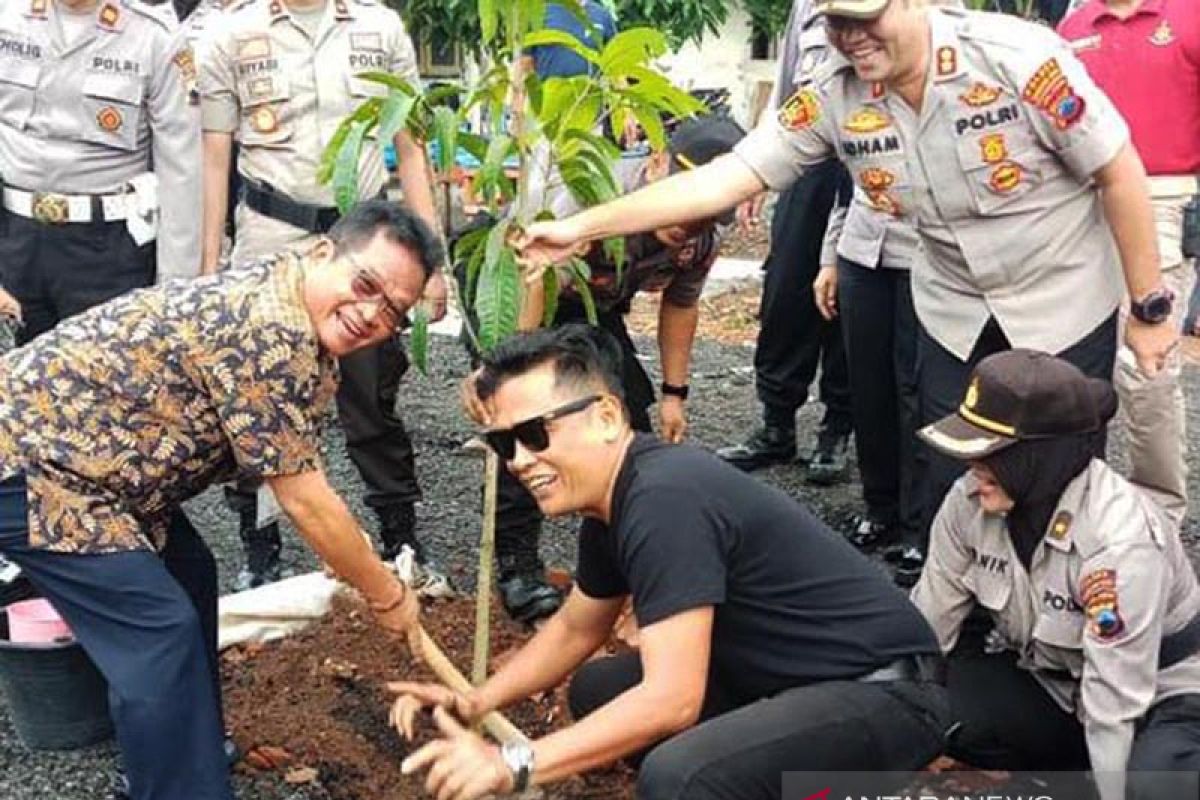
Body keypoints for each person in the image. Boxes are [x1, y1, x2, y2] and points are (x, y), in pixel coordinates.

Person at [514, 0, 1177, 547]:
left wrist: (1148, 308)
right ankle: (968, 640)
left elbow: (1117, 172)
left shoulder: (1017, 59)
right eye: (835, 21)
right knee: (955, 478)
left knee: (1056, 475)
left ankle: (1069, 634)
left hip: (1062, 294)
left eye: (867, 15)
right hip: (953, 308)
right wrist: (581, 226)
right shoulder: (832, 93)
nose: (852, 37)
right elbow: (730, 175)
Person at [391, 324, 949, 800]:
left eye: (535, 434)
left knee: (680, 777)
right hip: (783, 680)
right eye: (503, 443)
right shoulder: (613, 504)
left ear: (608, 416)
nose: (519, 460)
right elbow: (575, 626)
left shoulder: (664, 498)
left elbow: (673, 699)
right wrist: (474, 700)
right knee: (600, 690)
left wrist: (513, 762)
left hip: (885, 695)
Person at [0, 201, 434, 800]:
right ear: (321, 253)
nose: (370, 314)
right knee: (159, 630)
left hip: (101, 466)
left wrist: (352, 552)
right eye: (365, 286)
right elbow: (305, 499)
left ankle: (180, 751)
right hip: (34, 465)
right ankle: (178, 785)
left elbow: (296, 467)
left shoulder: (288, 295)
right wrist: (386, 594)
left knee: (188, 574)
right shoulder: (272, 328)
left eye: (393, 312)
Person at [199, 0, 451, 592]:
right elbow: (214, 160)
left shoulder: (380, 27)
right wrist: (209, 265)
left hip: (367, 249)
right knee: (255, 400)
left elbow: (412, 146)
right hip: (271, 243)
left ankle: (401, 536)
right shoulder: (230, 34)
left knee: (370, 400)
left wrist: (432, 262)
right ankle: (260, 549)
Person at [472, 114, 744, 624]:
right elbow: (529, 276)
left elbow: (680, 306)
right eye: (681, 190)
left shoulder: (700, 239)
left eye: (708, 209)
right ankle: (516, 563)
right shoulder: (588, 195)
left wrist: (674, 393)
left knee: (626, 423)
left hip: (592, 306)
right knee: (525, 424)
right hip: (516, 283)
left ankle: (625, 564)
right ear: (657, 162)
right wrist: (504, 372)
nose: (689, 218)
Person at [911, 349, 1200, 800]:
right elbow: (928, 628)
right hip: (1057, 683)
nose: (973, 470)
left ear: (1043, 455)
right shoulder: (969, 501)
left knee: (1158, 784)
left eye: (991, 455)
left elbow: (1115, 701)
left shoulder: (1118, 541)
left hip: (1158, 696)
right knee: (923, 715)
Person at [1058, 0, 1198, 531]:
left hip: (1162, 198)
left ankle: (1157, 515)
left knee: (1149, 370)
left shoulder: (1188, 15)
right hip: (1078, 200)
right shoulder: (1073, 27)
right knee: (1070, 359)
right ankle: (1069, 505)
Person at [0, 0, 201, 343]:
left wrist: (175, 296)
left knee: (100, 384)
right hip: (14, 241)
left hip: (107, 251)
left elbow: (181, 173)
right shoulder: (8, 16)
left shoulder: (154, 37)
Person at [715, 0, 853, 483]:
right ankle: (776, 425)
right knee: (786, 291)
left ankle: (837, 429)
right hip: (806, 161)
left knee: (848, 297)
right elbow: (787, 92)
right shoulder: (806, 6)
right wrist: (759, 175)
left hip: (868, 163)